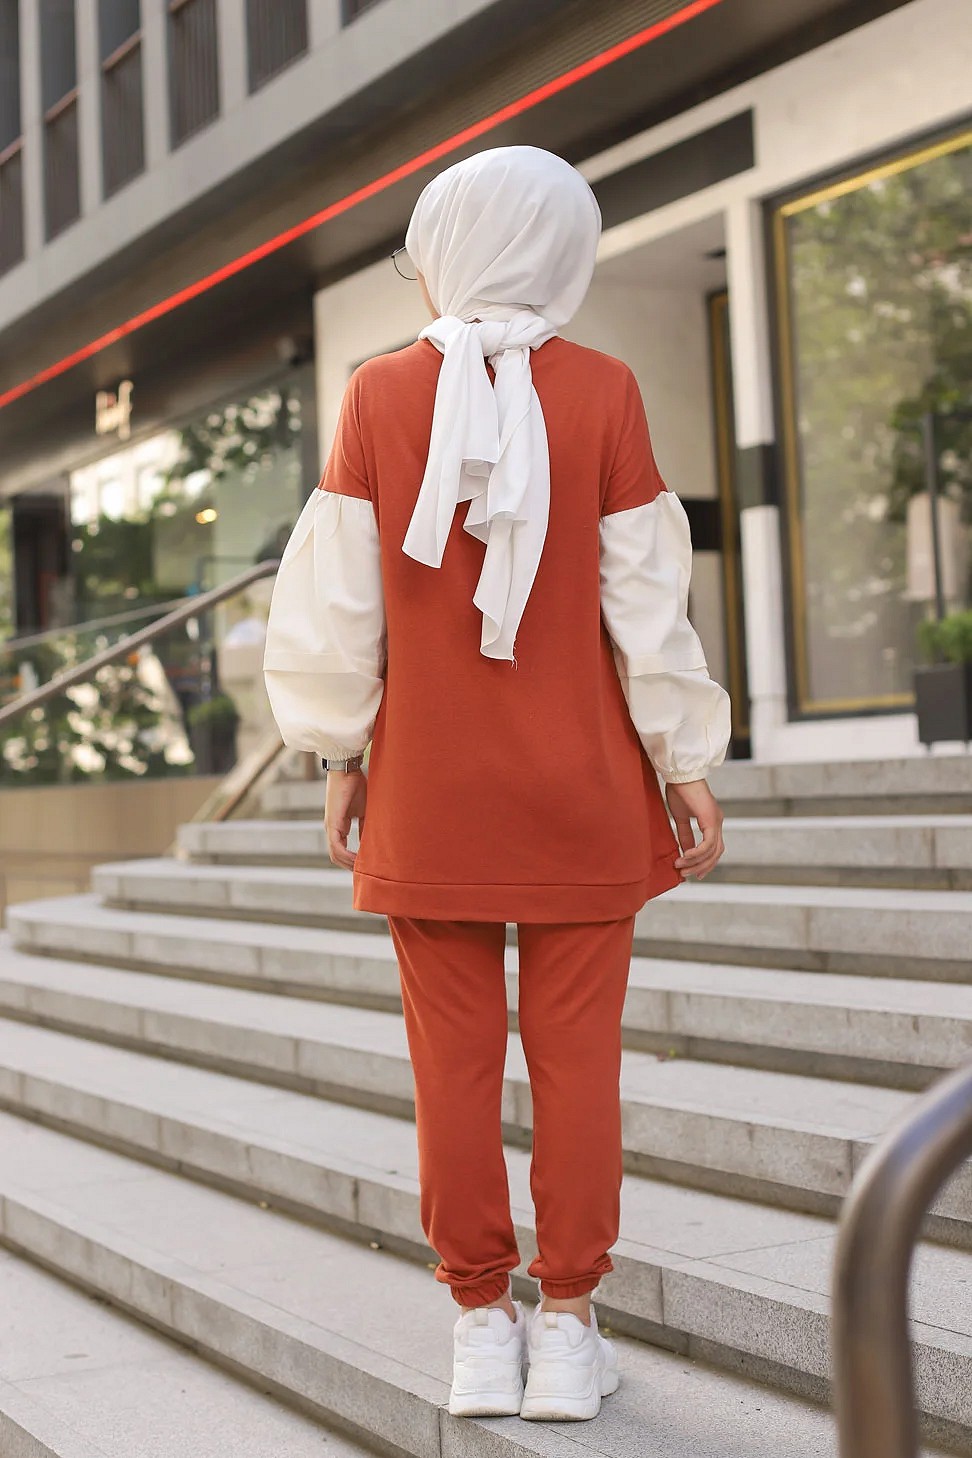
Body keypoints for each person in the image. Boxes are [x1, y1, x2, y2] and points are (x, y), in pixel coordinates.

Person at [263, 145, 731, 1424]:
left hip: (430, 793)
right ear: (563, 249)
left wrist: (339, 755)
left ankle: (482, 1326)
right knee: (579, 1067)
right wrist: (686, 763)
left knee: (452, 1071)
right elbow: (647, 604)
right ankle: (568, 1328)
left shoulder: (376, 394)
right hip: (585, 790)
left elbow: (338, 602)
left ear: (448, 250)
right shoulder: (606, 391)